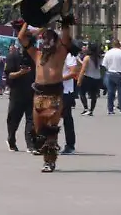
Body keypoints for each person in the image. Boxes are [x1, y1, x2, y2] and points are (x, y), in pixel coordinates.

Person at [17, 12, 74, 172]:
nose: (46, 41)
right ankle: (45, 153)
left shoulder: (60, 54)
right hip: (38, 95)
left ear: (55, 42)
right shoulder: (37, 55)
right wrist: (28, 19)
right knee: (39, 131)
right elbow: (22, 37)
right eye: (44, 39)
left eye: (50, 39)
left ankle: (49, 161)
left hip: (54, 95)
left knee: (51, 130)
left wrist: (64, 21)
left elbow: (66, 38)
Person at [5, 33, 36, 152]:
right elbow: (9, 75)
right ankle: (11, 139)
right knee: (13, 119)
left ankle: (30, 144)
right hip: (17, 93)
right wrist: (20, 73)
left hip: (32, 92)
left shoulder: (34, 57)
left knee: (31, 120)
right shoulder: (13, 56)